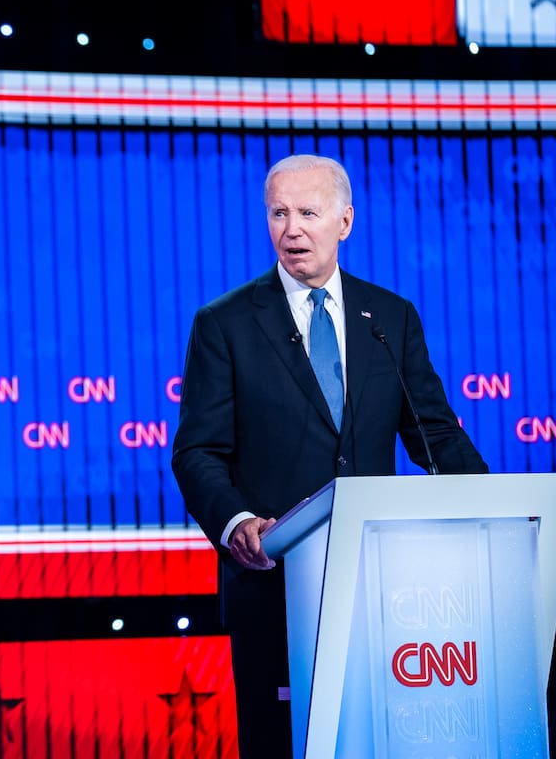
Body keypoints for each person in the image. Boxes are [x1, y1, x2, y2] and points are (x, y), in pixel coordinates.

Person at [170, 154, 488, 757]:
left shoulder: (389, 317)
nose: (292, 229)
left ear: (345, 221)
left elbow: (435, 435)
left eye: (309, 213)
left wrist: (487, 504)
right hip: (273, 589)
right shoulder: (225, 324)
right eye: (279, 213)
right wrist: (237, 524)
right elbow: (197, 452)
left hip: (380, 589)